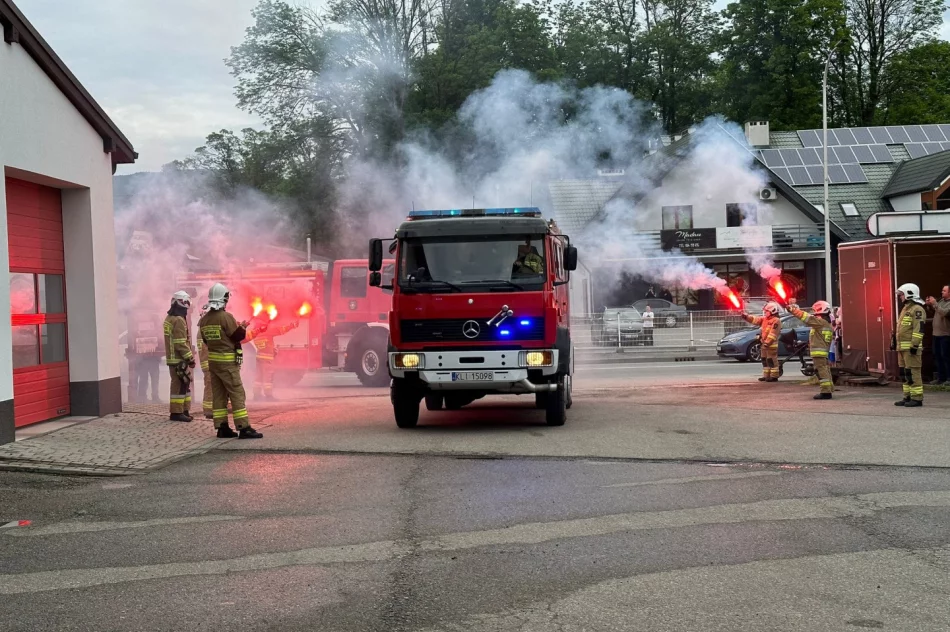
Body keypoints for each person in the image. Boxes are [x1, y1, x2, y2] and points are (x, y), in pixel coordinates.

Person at [198, 283, 263, 438]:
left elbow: (206, 341)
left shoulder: (204, 320)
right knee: (236, 393)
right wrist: (242, 327)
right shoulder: (226, 317)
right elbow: (237, 337)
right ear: (224, 299)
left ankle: (222, 427)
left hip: (214, 364)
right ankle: (243, 427)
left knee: (219, 395)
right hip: (227, 363)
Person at [788, 299, 835, 399]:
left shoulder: (821, 322)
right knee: (825, 370)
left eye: (815, 311)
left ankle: (826, 392)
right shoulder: (824, 323)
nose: (814, 314)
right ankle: (829, 389)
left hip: (819, 353)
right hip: (822, 353)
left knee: (821, 371)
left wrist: (793, 310)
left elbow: (806, 318)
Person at [245, 317, 299, 400]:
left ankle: (256, 395)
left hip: (259, 357)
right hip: (267, 358)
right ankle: (268, 395)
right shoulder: (266, 331)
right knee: (268, 377)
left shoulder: (255, 333)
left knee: (258, 377)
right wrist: (292, 325)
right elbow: (280, 330)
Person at [163, 291, 195, 422]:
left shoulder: (169, 319)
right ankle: (177, 413)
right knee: (179, 386)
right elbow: (180, 343)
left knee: (183, 385)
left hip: (173, 359)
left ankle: (184, 410)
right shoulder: (179, 320)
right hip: (179, 359)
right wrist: (190, 358)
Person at [892, 283, 926, 407]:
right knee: (904, 373)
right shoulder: (906, 308)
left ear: (909, 294)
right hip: (902, 348)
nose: (900, 297)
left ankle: (917, 398)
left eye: (901, 295)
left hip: (911, 349)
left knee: (913, 372)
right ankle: (907, 396)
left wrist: (915, 345)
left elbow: (919, 329)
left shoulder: (917, 309)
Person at [742, 301, 782, 382]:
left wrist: (767, 342)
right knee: (764, 360)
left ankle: (774, 376)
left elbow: (773, 334)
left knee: (771, 360)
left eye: (767, 311)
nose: (765, 312)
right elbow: (755, 320)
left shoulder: (776, 320)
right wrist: (746, 317)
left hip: (771, 345)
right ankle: (766, 376)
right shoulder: (765, 319)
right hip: (764, 344)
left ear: (772, 311)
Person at [925, 285, 950, 385]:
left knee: (946, 356)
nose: (942, 292)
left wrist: (935, 303)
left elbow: (945, 313)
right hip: (936, 334)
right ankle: (940, 377)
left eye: (944, 291)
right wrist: (929, 305)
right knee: (938, 356)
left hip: (946, 335)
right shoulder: (941, 302)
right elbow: (935, 312)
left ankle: (949, 378)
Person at [195, 304, 213, 419]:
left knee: (210, 385)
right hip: (209, 363)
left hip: (207, 363)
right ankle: (209, 410)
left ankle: (211, 409)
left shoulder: (201, 329)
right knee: (210, 386)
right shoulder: (204, 330)